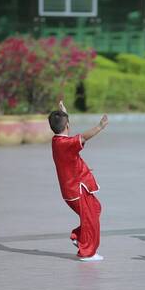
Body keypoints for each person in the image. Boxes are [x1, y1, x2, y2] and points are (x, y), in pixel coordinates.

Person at [49, 101, 108, 262]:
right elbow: (81, 137)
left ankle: (79, 237)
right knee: (90, 218)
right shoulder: (65, 144)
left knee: (95, 209)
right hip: (76, 190)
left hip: (75, 186)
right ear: (67, 125)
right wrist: (100, 126)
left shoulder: (57, 141)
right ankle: (87, 252)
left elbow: (70, 136)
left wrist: (65, 112)